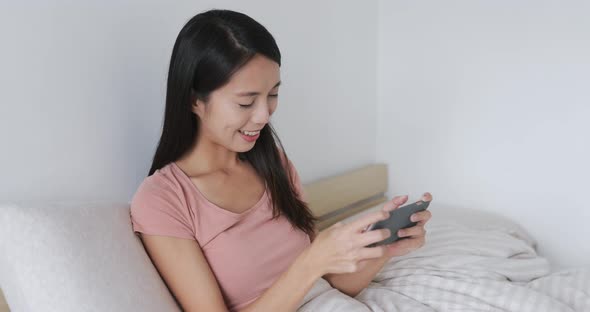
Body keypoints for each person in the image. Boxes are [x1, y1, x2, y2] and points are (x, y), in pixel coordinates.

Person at [129, 8, 432, 312]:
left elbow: (332, 283)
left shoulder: (272, 162)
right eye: (246, 102)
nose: (263, 115)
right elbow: (310, 271)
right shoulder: (162, 200)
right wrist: (310, 263)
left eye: (272, 95)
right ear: (194, 99)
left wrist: (384, 247)